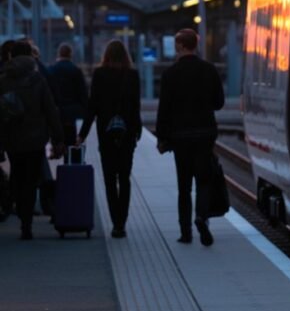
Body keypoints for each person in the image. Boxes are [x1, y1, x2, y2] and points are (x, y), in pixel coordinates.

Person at [155, 28, 224, 246]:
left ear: (180, 46)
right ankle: (201, 217)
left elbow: (163, 109)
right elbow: (219, 103)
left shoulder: (170, 74)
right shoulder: (209, 69)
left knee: (183, 186)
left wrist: (162, 137)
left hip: (180, 136)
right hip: (205, 134)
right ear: (195, 45)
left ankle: (185, 233)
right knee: (204, 180)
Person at [0, 40, 64, 240]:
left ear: (11, 57)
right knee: (31, 180)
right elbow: (50, 110)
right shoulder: (38, 80)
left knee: (17, 176)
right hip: (36, 139)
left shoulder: (3, 80)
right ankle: (26, 223)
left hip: (12, 139)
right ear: (30, 56)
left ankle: (19, 211)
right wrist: (57, 139)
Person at [77, 40, 141, 238]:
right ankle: (122, 220)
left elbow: (92, 107)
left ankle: (115, 222)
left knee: (109, 179)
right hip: (127, 133)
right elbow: (135, 106)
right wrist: (137, 130)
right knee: (125, 178)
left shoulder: (99, 74)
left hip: (106, 134)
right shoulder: (132, 75)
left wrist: (82, 134)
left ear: (106, 55)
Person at [48, 43, 88, 148]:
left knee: (57, 139)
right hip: (71, 112)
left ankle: (56, 150)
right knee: (70, 141)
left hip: (56, 111)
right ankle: (69, 160)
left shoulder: (51, 70)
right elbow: (82, 93)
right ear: (71, 54)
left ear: (59, 54)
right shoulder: (76, 70)